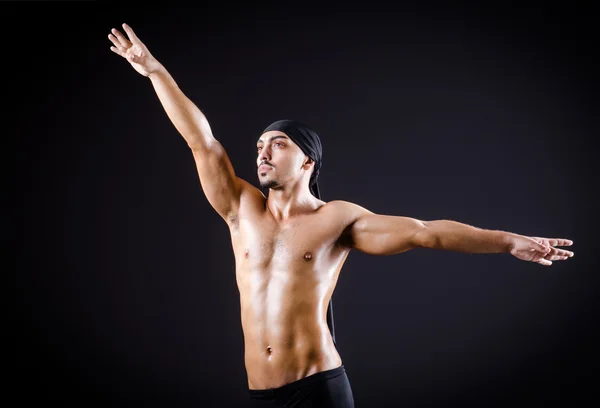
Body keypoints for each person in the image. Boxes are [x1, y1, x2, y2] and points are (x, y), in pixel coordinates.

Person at [108, 23, 575, 408]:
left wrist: (509, 240)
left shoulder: (336, 220)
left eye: (278, 144)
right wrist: (154, 71)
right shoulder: (240, 208)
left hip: (318, 390)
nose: (263, 153)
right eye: (258, 146)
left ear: (307, 162)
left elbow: (424, 233)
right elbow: (201, 141)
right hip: (260, 393)